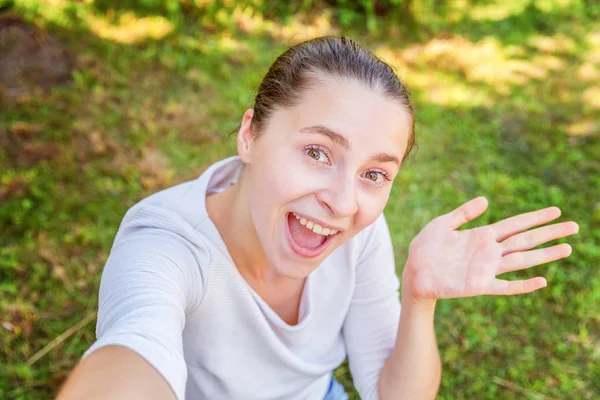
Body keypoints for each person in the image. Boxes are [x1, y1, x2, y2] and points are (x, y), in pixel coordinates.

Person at [57, 36, 578, 400]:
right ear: (250, 135)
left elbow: (391, 394)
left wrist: (419, 300)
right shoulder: (164, 244)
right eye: (317, 152)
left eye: (374, 174)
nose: (345, 202)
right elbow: (134, 350)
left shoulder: (360, 234)